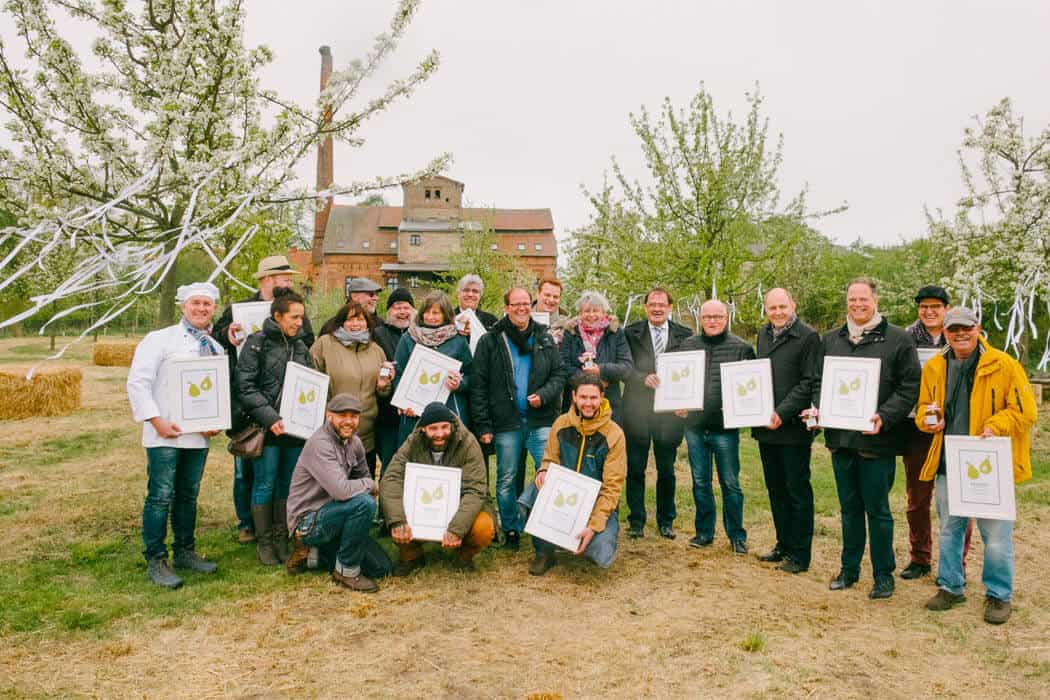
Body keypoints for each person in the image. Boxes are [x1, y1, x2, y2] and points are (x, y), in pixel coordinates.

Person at [917, 308, 1036, 625]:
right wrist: (928, 420)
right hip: (948, 460)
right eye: (953, 329)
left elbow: (1026, 412)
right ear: (945, 332)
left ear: (977, 328)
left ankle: (998, 595)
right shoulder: (933, 367)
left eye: (965, 328)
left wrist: (995, 425)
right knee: (949, 529)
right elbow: (922, 410)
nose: (960, 334)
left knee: (996, 536)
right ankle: (951, 586)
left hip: (989, 463)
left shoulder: (1005, 365)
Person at [810, 277, 920, 600]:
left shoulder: (898, 340)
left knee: (878, 510)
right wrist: (818, 408)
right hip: (842, 439)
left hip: (877, 441)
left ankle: (884, 574)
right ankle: (849, 569)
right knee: (849, 509)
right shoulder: (831, 340)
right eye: (852, 299)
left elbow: (909, 387)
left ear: (875, 300)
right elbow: (820, 381)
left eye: (863, 299)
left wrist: (884, 417)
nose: (857, 304)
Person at [126, 282, 224, 589]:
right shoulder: (160, 340)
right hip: (164, 435)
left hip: (197, 437)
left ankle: (185, 551)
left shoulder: (215, 347)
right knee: (160, 497)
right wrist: (156, 421)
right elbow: (138, 383)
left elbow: (216, 392)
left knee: (188, 495)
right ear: (183, 305)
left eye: (207, 304)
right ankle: (156, 559)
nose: (201, 309)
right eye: (195, 303)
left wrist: (215, 421)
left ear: (214, 309)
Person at [213, 254, 314, 544]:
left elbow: (306, 343)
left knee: (278, 475)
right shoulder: (239, 308)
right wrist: (227, 334)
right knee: (247, 467)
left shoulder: (295, 309)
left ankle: (276, 528)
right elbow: (218, 338)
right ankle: (248, 524)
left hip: (286, 408)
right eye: (285, 277)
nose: (289, 282)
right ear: (269, 279)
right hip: (249, 406)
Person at [470, 287, 566, 550]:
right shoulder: (490, 341)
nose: (522, 308)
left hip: (540, 420)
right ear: (507, 307)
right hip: (506, 422)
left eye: (526, 303)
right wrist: (483, 424)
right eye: (516, 304)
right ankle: (511, 529)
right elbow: (479, 385)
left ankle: (541, 524)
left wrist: (544, 396)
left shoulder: (544, 338)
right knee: (506, 479)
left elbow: (559, 375)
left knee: (550, 474)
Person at [234, 288, 314, 566]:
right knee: (264, 483)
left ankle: (282, 537)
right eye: (294, 317)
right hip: (267, 429)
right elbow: (245, 387)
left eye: (301, 317)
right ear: (277, 316)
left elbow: (311, 384)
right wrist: (271, 418)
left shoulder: (301, 346)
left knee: (287, 485)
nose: (299, 322)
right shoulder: (256, 343)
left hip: (294, 431)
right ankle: (264, 541)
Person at [519, 375, 627, 575]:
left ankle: (585, 539)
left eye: (593, 398)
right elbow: (549, 458)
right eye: (583, 397)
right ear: (574, 397)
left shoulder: (615, 434)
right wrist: (543, 470)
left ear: (602, 397)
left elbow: (612, 488)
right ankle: (544, 551)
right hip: (563, 500)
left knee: (602, 553)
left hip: (595, 503)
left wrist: (594, 526)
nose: (588, 403)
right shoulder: (560, 424)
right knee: (535, 489)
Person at [285, 394, 392, 591]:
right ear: (329, 416)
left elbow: (362, 481)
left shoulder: (355, 443)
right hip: (308, 520)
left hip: (337, 514)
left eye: (354, 416)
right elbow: (344, 491)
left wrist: (366, 486)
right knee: (364, 504)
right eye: (342, 415)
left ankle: (314, 555)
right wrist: (369, 484)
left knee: (381, 568)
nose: (349, 421)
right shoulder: (320, 444)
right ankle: (346, 571)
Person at [676, 299, 756, 554]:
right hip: (695, 427)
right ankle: (704, 532)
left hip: (725, 429)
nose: (712, 321)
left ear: (726, 318)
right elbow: (679, 381)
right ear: (700, 319)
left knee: (730, 483)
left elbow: (751, 389)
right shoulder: (688, 346)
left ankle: (737, 535)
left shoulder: (742, 348)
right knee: (700, 482)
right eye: (707, 316)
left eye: (717, 316)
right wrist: (678, 403)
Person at [380, 402, 496, 574]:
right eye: (433, 428)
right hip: (424, 504)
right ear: (423, 429)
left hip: (460, 505)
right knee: (394, 510)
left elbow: (476, 490)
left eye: (444, 427)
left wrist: (457, 528)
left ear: (451, 425)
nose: (440, 434)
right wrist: (397, 521)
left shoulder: (468, 443)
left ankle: (463, 557)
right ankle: (412, 556)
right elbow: (391, 478)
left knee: (483, 527)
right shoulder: (413, 442)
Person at [751, 288, 820, 573]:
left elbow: (808, 381)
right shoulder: (764, 335)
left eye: (782, 307)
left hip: (791, 428)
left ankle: (800, 554)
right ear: (766, 310)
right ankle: (783, 544)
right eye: (772, 308)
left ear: (793, 305)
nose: (777, 312)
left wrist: (783, 412)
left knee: (797, 490)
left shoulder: (808, 337)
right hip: (766, 427)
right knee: (776, 489)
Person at [622, 287, 692, 539]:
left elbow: (690, 372)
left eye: (662, 304)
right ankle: (636, 521)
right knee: (636, 468)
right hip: (638, 409)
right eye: (652, 304)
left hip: (669, 412)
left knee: (667, 469)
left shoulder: (685, 335)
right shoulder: (630, 333)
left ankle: (666, 521)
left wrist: (687, 401)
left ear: (670, 307)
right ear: (645, 307)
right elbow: (624, 366)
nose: (657, 308)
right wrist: (642, 378)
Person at [899, 285, 956, 580]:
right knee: (918, 498)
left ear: (946, 308)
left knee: (955, 501)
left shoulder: (959, 334)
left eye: (935, 306)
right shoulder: (906, 338)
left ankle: (955, 561)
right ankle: (920, 557)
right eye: (924, 306)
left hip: (955, 429)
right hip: (916, 427)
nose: (930, 311)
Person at [311, 301, 395, 476]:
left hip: (366, 437)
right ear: (341, 322)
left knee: (363, 489)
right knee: (333, 488)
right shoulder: (325, 344)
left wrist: (383, 386)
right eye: (350, 320)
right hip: (333, 434)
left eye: (361, 320)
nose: (356, 324)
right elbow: (311, 381)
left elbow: (382, 393)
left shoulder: (376, 351)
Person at [391, 290, 473, 444]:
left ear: (445, 314)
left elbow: (471, 374)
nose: (430, 317)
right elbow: (398, 373)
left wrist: (458, 384)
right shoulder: (408, 338)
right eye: (427, 312)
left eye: (436, 313)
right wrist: (402, 401)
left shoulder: (458, 340)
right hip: (414, 414)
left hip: (449, 413)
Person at [560, 290, 633, 425]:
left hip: (609, 404)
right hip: (576, 404)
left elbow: (626, 367)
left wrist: (601, 370)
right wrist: (590, 383)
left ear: (604, 313)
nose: (591, 315)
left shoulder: (615, 333)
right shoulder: (570, 333)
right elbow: (563, 367)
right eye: (587, 311)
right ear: (580, 313)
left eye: (596, 311)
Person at [372, 287, 415, 473]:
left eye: (406, 307)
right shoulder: (377, 334)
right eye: (397, 308)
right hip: (387, 414)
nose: (402, 312)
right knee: (389, 466)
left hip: (414, 413)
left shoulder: (419, 335)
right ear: (389, 311)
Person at [533, 277, 568, 345]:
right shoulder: (522, 316)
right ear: (537, 294)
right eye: (547, 295)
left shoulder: (567, 324)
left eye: (555, 297)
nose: (551, 300)